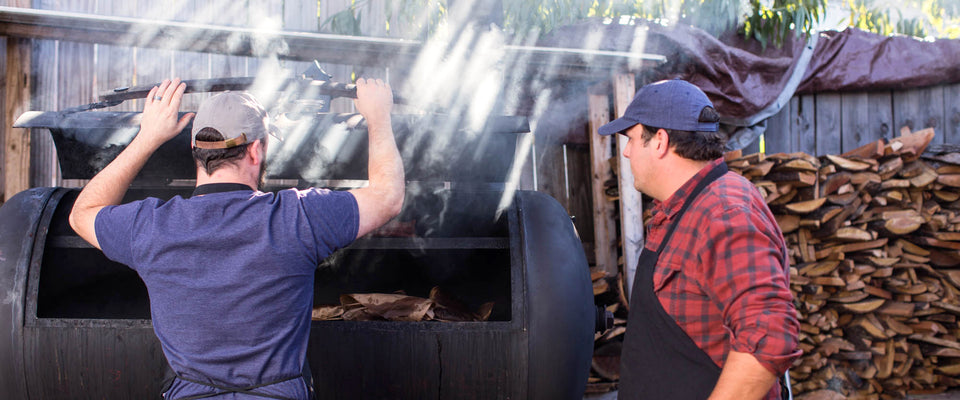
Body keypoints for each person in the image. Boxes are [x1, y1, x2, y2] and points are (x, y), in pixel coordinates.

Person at [68, 77, 404, 399]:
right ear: (256, 151)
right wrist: (378, 117)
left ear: (194, 149)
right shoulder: (299, 217)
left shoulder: (150, 227)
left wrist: (148, 137)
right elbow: (388, 197)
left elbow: (81, 213)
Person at [598, 79, 800, 400]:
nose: (626, 151)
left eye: (632, 138)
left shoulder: (724, 212)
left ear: (660, 141)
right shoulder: (677, 206)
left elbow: (769, 336)